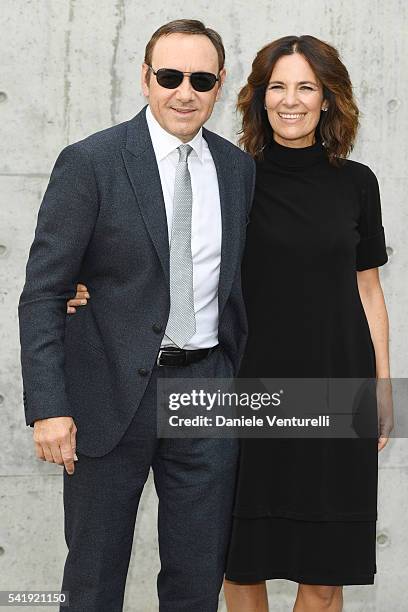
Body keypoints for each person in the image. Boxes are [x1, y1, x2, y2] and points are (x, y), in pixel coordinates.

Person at [69, 35, 391, 612]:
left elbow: (368, 291)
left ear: (328, 99)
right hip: (245, 390)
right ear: (257, 97)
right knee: (240, 564)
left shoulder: (357, 183)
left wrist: (383, 389)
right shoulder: (235, 174)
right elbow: (164, 252)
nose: (290, 101)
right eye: (277, 87)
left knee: (324, 574)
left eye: (306, 88)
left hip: (339, 389)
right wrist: (87, 287)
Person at [18, 19, 255, 612]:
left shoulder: (236, 170)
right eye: (170, 76)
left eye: (201, 79)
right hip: (107, 395)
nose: (185, 92)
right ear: (145, 78)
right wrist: (50, 408)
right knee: (94, 580)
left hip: (206, 390)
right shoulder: (91, 162)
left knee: (197, 579)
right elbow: (44, 292)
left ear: (220, 85)